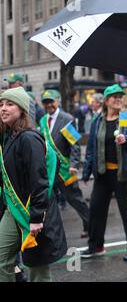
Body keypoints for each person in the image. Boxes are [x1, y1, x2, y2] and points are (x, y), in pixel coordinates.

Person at [0, 87, 67, 282]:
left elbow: (39, 181)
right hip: (12, 210)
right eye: (1, 104)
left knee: (38, 269)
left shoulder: (29, 138)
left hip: (34, 212)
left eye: (9, 104)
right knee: (2, 260)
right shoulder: (7, 137)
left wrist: (36, 217)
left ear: (21, 110)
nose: (3, 108)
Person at [81, 84, 127, 261]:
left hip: (124, 174)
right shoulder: (97, 121)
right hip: (102, 174)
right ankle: (96, 246)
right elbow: (91, 149)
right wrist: (86, 172)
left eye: (120, 96)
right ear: (106, 100)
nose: (118, 99)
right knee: (96, 210)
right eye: (114, 96)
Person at [40, 89, 90, 238]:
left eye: (51, 101)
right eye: (45, 102)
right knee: (47, 202)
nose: (48, 105)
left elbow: (74, 144)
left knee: (75, 199)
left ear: (58, 101)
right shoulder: (43, 121)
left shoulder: (67, 118)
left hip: (65, 169)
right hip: (49, 170)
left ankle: (89, 225)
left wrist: (75, 164)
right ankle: (50, 233)